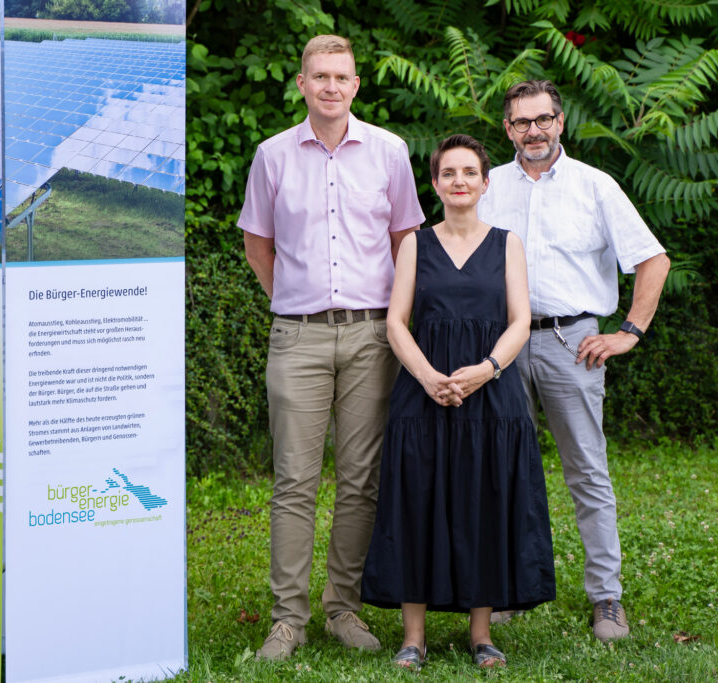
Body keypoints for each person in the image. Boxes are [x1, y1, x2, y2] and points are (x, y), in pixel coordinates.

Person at [237, 35, 425, 661]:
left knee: (360, 480)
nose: (330, 87)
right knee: (293, 481)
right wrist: (295, 299)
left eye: (341, 77)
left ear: (355, 85)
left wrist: (393, 320)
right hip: (298, 336)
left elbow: (407, 242)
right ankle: (287, 618)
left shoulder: (390, 153)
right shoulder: (272, 155)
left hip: (374, 334)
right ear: (301, 84)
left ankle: (342, 607)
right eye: (319, 76)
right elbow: (257, 244)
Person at [477, 79, 670, 642]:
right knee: (500, 469)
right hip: (502, 344)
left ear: (560, 122)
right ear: (507, 128)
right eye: (520, 122)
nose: (532, 130)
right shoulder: (489, 187)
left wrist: (629, 331)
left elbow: (652, 260)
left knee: (587, 470)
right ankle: (505, 591)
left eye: (543, 119)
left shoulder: (596, 186)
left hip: (572, 341)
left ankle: (607, 598)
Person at [360, 134, 556, 670]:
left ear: (486, 182)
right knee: (416, 502)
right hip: (424, 395)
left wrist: (487, 370)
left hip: (493, 396)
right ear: (435, 184)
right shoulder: (415, 245)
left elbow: (520, 320)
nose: (460, 181)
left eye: (470, 172)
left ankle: (482, 632)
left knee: (484, 501)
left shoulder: (507, 243)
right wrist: (426, 376)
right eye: (449, 173)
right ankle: (413, 637)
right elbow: (396, 321)